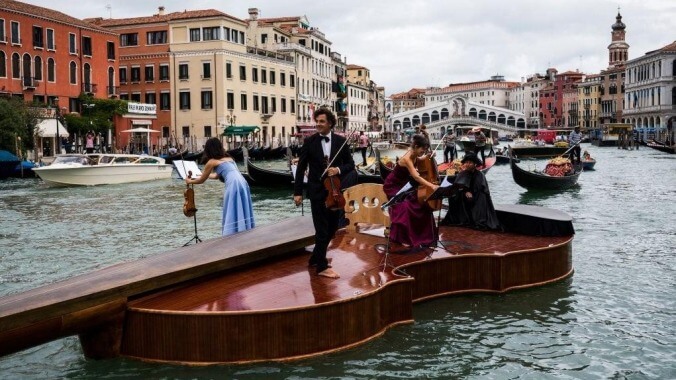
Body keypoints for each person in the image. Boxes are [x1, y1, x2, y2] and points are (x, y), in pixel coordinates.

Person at [293, 108, 355, 279]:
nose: (318, 124)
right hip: (316, 191)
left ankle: (315, 257)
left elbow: (351, 164)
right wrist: (298, 192)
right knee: (321, 230)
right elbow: (301, 167)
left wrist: (338, 169)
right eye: (317, 121)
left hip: (334, 191)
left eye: (321, 121)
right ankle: (321, 267)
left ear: (330, 123)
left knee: (333, 228)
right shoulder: (310, 141)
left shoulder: (340, 141)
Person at [186, 137, 255, 236]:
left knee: (231, 206)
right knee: (239, 205)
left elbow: (201, 181)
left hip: (233, 184)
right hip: (242, 182)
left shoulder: (212, 162)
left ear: (209, 150)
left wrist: (189, 180)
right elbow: (216, 176)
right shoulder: (229, 158)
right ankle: (243, 229)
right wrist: (200, 174)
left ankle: (232, 233)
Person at [383, 134, 439, 249]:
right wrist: (431, 186)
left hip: (404, 185)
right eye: (423, 149)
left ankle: (424, 236)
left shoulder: (415, 155)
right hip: (392, 185)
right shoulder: (407, 158)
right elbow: (417, 177)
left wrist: (430, 156)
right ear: (416, 146)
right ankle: (402, 238)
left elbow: (422, 160)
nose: (423, 152)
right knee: (405, 207)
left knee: (422, 205)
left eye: (425, 150)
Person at [440, 152, 500, 231]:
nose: (468, 164)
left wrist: (470, 193)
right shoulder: (462, 173)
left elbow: (479, 188)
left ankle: (477, 219)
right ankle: (458, 218)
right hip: (465, 194)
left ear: (475, 164)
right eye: (466, 162)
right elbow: (458, 186)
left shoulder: (480, 175)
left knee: (481, 197)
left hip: (477, 196)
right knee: (453, 196)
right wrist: (465, 191)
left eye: (470, 163)